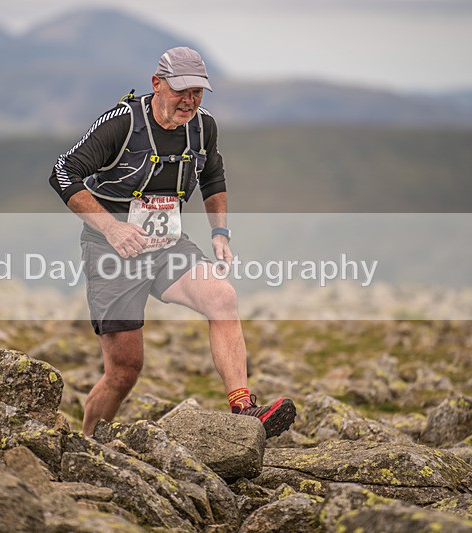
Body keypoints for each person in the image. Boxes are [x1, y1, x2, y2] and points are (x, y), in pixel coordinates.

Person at [49, 47, 295, 437]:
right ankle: (88, 441)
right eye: (181, 91)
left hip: (167, 246)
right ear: (157, 83)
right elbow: (63, 172)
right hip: (112, 251)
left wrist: (220, 233)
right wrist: (111, 229)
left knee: (222, 297)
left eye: (197, 92)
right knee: (124, 371)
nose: (189, 101)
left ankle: (244, 408)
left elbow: (212, 176)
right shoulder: (122, 124)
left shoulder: (203, 126)